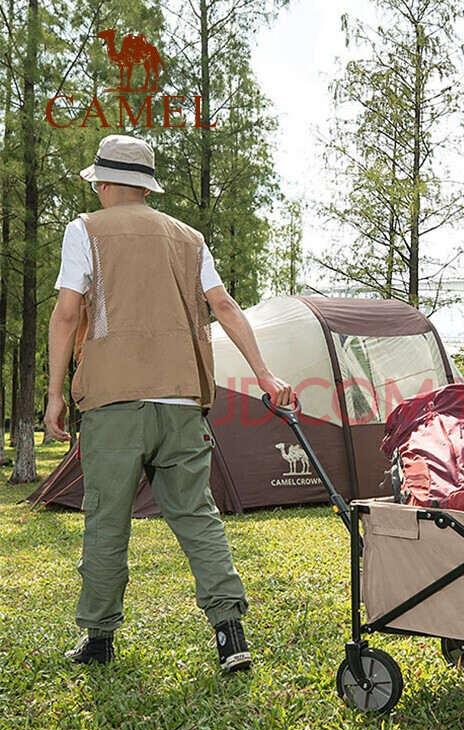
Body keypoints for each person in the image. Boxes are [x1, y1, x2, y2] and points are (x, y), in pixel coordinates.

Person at [44, 134, 291, 672]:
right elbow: (223, 306)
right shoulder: (188, 237)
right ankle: (230, 635)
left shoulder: (83, 230)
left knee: (107, 521)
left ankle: (99, 639)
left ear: (107, 184)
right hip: (180, 401)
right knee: (197, 516)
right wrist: (265, 374)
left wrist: (55, 394)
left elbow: (66, 315)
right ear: (146, 186)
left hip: (113, 403)